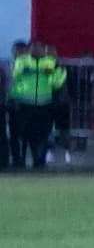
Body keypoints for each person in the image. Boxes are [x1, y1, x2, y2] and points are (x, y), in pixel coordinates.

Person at [4, 38, 62, 170]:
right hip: (23, 105)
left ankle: (39, 161)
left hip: (43, 105)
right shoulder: (21, 62)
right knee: (19, 135)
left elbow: (56, 82)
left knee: (40, 135)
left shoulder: (49, 63)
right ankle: (18, 161)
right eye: (33, 46)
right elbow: (13, 80)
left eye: (39, 46)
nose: (36, 49)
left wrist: (56, 68)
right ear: (29, 49)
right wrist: (13, 99)